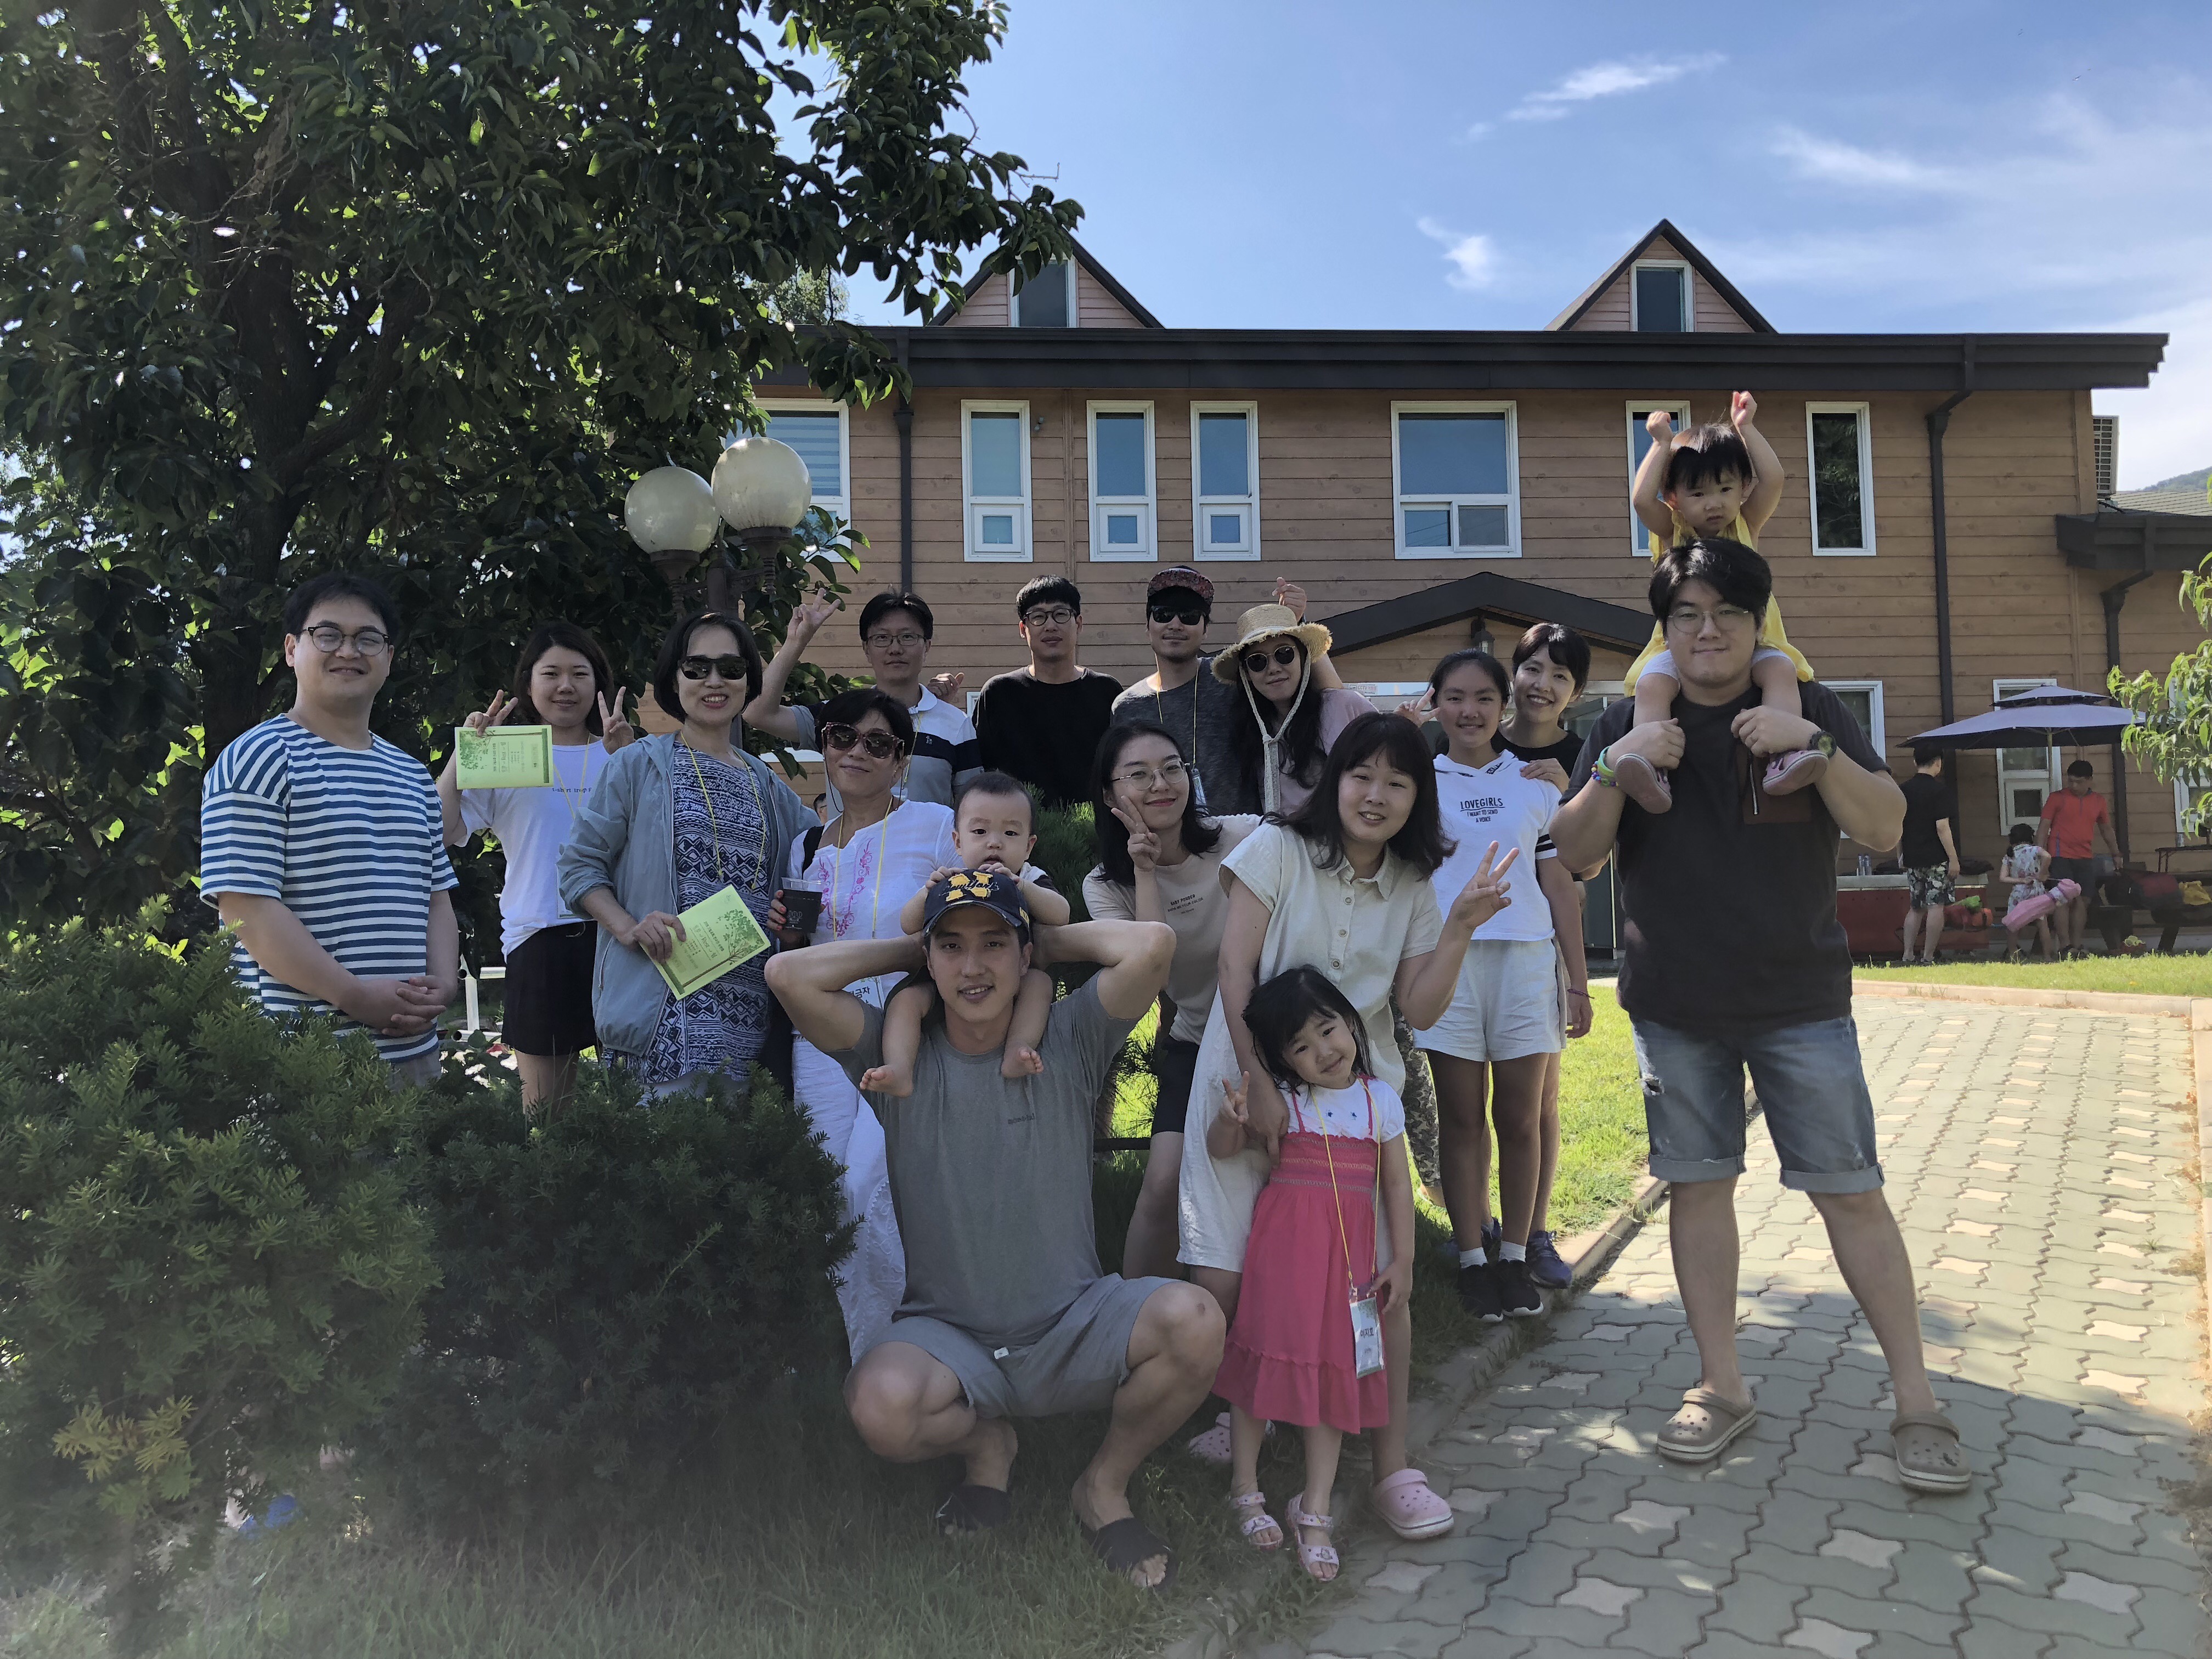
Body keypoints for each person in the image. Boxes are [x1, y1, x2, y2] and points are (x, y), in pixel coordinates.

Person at [1548, 537, 1970, 1494]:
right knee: (1698, 1190)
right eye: (1687, 615)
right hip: (1675, 1006)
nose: (1708, 631)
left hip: (1798, 1001)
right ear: (1665, 630)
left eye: (1728, 613)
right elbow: (1573, 854)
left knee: (1851, 1191)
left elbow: (1882, 825)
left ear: (1756, 622)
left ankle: (1917, 1402)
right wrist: (1613, 766)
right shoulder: (1626, 719)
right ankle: (1720, 1386)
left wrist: (1812, 750)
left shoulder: (1807, 707)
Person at [763, 871, 1222, 1593]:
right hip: (953, 1338)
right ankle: (987, 1449)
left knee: (1196, 1322)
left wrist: (1040, 942)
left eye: (994, 945)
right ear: (929, 958)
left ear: (1024, 953)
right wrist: (915, 953)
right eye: (952, 947)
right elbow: (788, 975)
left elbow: (1153, 945)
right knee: (879, 1403)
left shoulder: (1066, 1037)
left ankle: (1102, 1485)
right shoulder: (895, 1053)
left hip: (1075, 1322)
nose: (973, 967)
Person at [1181, 711, 1516, 1541]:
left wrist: (1461, 928)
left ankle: (1391, 1465)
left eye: (1398, 782)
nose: (1376, 794)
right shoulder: (1277, 849)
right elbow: (1234, 967)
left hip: (1349, 1104)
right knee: (1229, 1266)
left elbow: (1417, 1008)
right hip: (1245, 1078)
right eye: (1361, 774)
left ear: (1417, 798)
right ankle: (1246, 1404)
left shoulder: (1413, 886)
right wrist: (1259, 1082)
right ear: (1335, 779)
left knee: (1378, 1285)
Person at [200, 573, 461, 1087]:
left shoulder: (411, 774)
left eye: (368, 638)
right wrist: (354, 996)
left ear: (388, 656)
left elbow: (436, 898)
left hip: (416, 1052)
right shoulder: (259, 758)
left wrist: (444, 985)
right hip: (301, 1062)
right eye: (328, 635)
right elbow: (245, 907)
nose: (349, 650)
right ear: (291, 649)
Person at [767, 687, 961, 1357]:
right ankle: (863, 1351)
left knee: (871, 1184)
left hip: (903, 1029)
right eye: (843, 737)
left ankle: (908, 1347)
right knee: (828, 1187)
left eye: (880, 744)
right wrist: (789, 935)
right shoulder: (807, 843)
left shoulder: (936, 825)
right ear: (824, 745)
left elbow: (976, 906)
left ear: (901, 762)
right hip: (820, 1035)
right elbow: (806, 947)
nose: (858, 752)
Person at [1210, 968, 1414, 1584]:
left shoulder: (1380, 1101)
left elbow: (1397, 1186)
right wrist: (1232, 1119)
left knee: (1336, 1376)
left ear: (1351, 1022)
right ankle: (1244, 1489)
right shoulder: (1286, 1103)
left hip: (1348, 1270)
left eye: (1328, 1030)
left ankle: (1315, 1507)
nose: (1323, 1051)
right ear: (1284, 1061)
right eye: (1301, 1046)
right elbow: (1224, 1149)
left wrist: (1403, 1260)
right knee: (1262, 1366)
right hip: (1283, 1261)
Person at [557, 609, 814, 1098]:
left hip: (749, 1025)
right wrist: (628, 927)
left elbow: (823, 858)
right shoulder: (638, 765)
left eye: (731, 668)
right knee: (662, 1145)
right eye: (697, 668)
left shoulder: (769, 786)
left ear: (748, 681)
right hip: (662, 1022)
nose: (714, 681)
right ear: (674, 680)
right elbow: (578, 866)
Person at [1411, 650, 1591, 1323]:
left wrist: (1579, 982)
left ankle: (1515, 1256)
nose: (1469, 711)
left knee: (1519, 1119)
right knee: (1461, 1118)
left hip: (1526, 963)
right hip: (1448, 964)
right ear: (1435, 702)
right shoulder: (1415, 783)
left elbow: (1560, 885)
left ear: (1503, 705)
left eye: (1484, 698)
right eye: (1455, 697)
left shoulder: (1535, 783)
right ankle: (1472, 1260)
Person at [1084, 727, 1263, 1282]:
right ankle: (1134, 1315)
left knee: (1270, 1176)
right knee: (1162, 1183)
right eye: (1139, 775)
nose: (1161, 784)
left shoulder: (1243, 837)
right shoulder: (1105, 886)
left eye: (1171, 768)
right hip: (1197, 1040)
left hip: (1277, 1039)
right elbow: (1150, 975)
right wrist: (1145, 871)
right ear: (1110, 795)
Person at [436, 623, 638, 1109]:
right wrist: (464, 755)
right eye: (551, 674)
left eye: (580, 674)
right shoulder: (505, 756)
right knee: (546, 1115)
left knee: (635, 1104)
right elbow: (440, 831)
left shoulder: (626, 754)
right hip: (540, 938)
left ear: (599, 684)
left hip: (625, 939)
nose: (566, 686)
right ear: (528, 684)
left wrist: (631, 758)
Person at [1621, 395, 1823, 811]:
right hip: (1682, 648)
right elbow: (1641, 501)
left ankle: (1786, 755)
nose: (1713, 503)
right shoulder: (1671, 531)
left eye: (1725, 489)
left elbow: (1775, 479)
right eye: (1697, 493)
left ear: (1743, 489)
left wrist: (1746, 428)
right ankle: (1650, 767)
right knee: (1652, 685)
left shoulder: (1745, 524)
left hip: (1756, 642)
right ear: (1673, 498)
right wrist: (1661, 445)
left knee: (1781, 671)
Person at [1496, 621, 1595, 1290]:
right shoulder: (1477, 738)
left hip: (1546, 939)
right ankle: (1482, 1229)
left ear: (1576, 693)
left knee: (1540, 1100)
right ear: (1515, 673)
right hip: (1471, 938)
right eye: (1534, 668)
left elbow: (1592, 864)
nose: (1543, 684)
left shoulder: (1584, 758)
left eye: (1561, 676)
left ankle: (1534, 1233)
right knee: (1472, 1105)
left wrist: (1567, 798)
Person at [868, 772, 1071, 1093]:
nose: (994, 842)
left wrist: (1022, 888)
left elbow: (1062, 914)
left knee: (1040, 983)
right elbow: (908, 924)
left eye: (1010, 833)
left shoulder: (1029, 877)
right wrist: (927, 893)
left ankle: (1018, 1049)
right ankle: (899, 1067)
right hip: (948, 981)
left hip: (1014, 978)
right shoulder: (954, 879)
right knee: (907, 1000)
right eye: (980, 831)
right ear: (958, 842)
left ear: (1029, 846)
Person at [1110, 568, 1331, 815]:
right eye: (1163, 614)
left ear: (1206, 629)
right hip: (1165, 837)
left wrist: (1296, 626)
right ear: (1148, 626)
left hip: (1247, 834)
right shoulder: (1127, 707)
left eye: (1190, 616)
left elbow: (1331, 698)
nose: (1175, 624)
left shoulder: (1234, 679)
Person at [744, 588, 980, 810]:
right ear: (866, 649)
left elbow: (973, 808)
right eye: (882, 638)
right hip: (846, 842)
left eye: (907, 637)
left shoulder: (956, 725)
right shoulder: (839, 716)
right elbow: (757, 712)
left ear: (927, 646)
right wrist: (796, 642)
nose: (895, 648)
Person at [974, 577, 1122, 808]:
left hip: (1097, 826)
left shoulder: (1106, 691)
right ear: (1023, 629)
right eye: (1038, 617)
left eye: (1061, 614)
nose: (1050, 626)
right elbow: (980, 774)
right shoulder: (998, 694)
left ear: (1079, 623)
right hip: (1017, 825)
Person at [1214, 604, 1375, 816]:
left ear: (1303, 658)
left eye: (1284, 654)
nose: (1273, 668)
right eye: (1257, 661)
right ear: (1247, 674)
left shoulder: (1344, 706)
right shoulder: (1251, 731)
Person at [2039, 759, 2117, 956]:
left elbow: (2106, 829)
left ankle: (2077, 944)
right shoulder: (2057, 798)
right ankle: (2065, 946)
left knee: (2084, 899)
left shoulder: (2098, 801)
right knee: (2062, 899)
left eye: (2079, 782)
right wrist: (2039, 855)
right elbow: (2043, 827)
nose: (2074, 786)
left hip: (2085, 857)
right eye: (2071, 781)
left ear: (2090, 780)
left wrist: (2116, 853)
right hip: (2059, 856)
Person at [1897, 744, 1961, 967]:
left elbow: (1898, 827)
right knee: (1936, 906)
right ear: (1938, 763)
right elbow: (1942, 827)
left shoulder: (1903, 791)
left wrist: (1901, 855)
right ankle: (1928, 956)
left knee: (1916, 907)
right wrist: (1953, 859)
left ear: (1915, 762)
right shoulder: (1940, 791)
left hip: (1913, 857)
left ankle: (1907, 954)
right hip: (1936, 858)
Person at [1999, 825, 2060, 962]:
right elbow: (2047, 856)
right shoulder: (2035, 850)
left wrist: (2021, 880)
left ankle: (2013, 955)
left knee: (2013, 926)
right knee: (2042, 924)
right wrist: (2042, 873)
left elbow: (2003, 878)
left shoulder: (2010, 855)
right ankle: (2047, 956)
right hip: (2036, 891)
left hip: (2018, 893)